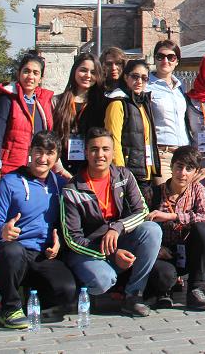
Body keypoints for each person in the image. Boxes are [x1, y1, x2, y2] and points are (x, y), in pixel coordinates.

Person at [60, 127, 161, 317]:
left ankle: (133, 295)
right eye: (94, 149)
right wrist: (112, 254)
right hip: (87, 250)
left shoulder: (124, 176)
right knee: (103, 280)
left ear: (113, 152)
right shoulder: (72, 189)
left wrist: (118, 227)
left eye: (105, 149)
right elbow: (72, 239)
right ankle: (84, 291)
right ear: (85, 153)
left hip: (118, 239)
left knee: (152, 230)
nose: (100, 154)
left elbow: (143, 211)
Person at [0, 131, 76, 328]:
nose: (43, 158)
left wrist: (59, 241)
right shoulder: (9, 182)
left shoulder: (60, 185)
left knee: (67, 292)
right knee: (12, 251)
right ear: (30, 152)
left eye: (49, 153)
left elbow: (66, 222)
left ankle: (26, 292)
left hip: (43, 255)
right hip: (15, 251)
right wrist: (2, 230)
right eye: (38, 151)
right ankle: (9, 307)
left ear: (57, 157)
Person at [146, 145, 205, 310]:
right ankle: (164, 291)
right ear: (171, 167)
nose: (182, 173)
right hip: (164, 253)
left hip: (188, 250)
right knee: (164, 275)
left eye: (189, 168)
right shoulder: (153, 193)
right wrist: (156, 248)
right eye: (179, 167)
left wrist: (174, 216)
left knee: (203, 230)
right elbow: (142, 225)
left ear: (196, 172)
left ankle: (195, 289)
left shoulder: (197, 190)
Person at [0, 52, 55, 195]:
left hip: (34, 168)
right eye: (26, 71)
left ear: (41, 78)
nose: (30, 77)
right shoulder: (7, 99)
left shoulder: (43, 102)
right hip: (8, 168)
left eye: (35, 73)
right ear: (19, 73)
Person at [104, 59, 161, 205]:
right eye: (135, 76)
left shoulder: (142, 103)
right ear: (126, 77)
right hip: (129, 175)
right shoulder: (118, 103)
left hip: (146, 174)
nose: (139, 81)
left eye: (144, 78)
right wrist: (121, 173)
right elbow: (113, 141)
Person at [52, 53, 106, 178]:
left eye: (93, 72)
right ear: (74, 71)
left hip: (91, 171)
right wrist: (60, 169)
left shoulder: (102, 105)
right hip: (60, 170)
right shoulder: (57, 102)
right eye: (83, 70)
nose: (88, 75)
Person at [146, 40, 189, 188]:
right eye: (160, 56)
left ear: (177, 61)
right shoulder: (146, 86)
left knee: (184, 201)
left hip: (184, 153)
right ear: (155, 59)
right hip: (162, 153)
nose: (165, 60)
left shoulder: (180, 88)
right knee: (166, 198)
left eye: (171, 57)